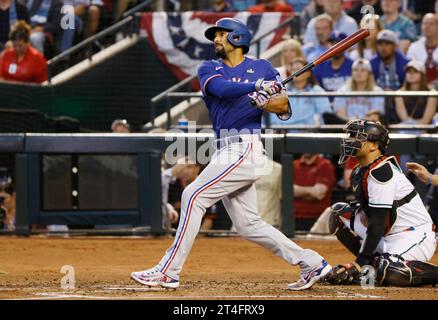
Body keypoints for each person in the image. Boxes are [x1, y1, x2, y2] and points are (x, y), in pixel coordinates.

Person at [131, 18, 332, 291]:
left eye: (221, 34)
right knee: (248, 225)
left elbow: (283, 105)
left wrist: (267, 100)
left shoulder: (263, 68)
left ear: (238, 38)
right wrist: (256, 88)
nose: (216, 39)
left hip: (245, 146)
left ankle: (168, 271)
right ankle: (311, 262)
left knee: (193, 195)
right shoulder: (210, 68)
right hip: (225, 149)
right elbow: (220, 89)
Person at [324, 119, 438, 287]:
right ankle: (373, 266)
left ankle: (377, 266)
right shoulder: (360, 171)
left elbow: (377, 223)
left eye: (358, 137)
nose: (351, 141)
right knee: (338, 214)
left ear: (374, 146)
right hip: (387, 232)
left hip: (412, 234)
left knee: (390, 270)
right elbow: (371, 214)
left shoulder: (382, 172)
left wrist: (358, 264)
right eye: (352, 136)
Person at [269, 57, 331, 126]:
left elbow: (325, 115)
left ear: (308, 73)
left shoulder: (317, 91)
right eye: (293, 70)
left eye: (299, 70)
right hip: (283, 131)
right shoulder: (282, 90)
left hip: (307, 133)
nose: (295, 73)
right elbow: (273, 115)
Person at [294, 153, 336, 231]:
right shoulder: (294, 165)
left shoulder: (325, 164)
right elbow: (288, 191)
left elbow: (319, 193)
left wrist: (298, 191)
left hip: (319, 218)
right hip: (295, 218)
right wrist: (311, 191)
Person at [395, 60, 437, 125]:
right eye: (408, 71)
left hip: (425, 130)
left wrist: (417, 127)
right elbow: (404, 118)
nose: (411, 74)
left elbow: (426, 120)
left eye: (415, 71)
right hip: (405, 128)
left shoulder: (431, 93)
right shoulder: (399, 93)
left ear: (422, 74)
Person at [313, 31, 353, 96]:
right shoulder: (320, 67)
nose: (335, 47)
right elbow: (316, 89)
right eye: (332, 44)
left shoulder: (353, 66)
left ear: (346, 46)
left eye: (339, 44)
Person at [407, 13, 438, 86]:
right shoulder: (414, 47)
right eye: (424, 23)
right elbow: (410, 71)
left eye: (431, 24)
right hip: (419, 87)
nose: (427, 26)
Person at [254, 158, 282, 228]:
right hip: (239, 228)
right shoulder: (237, 168)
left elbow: (284, 198)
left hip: (269, 224)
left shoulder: (278, 169)